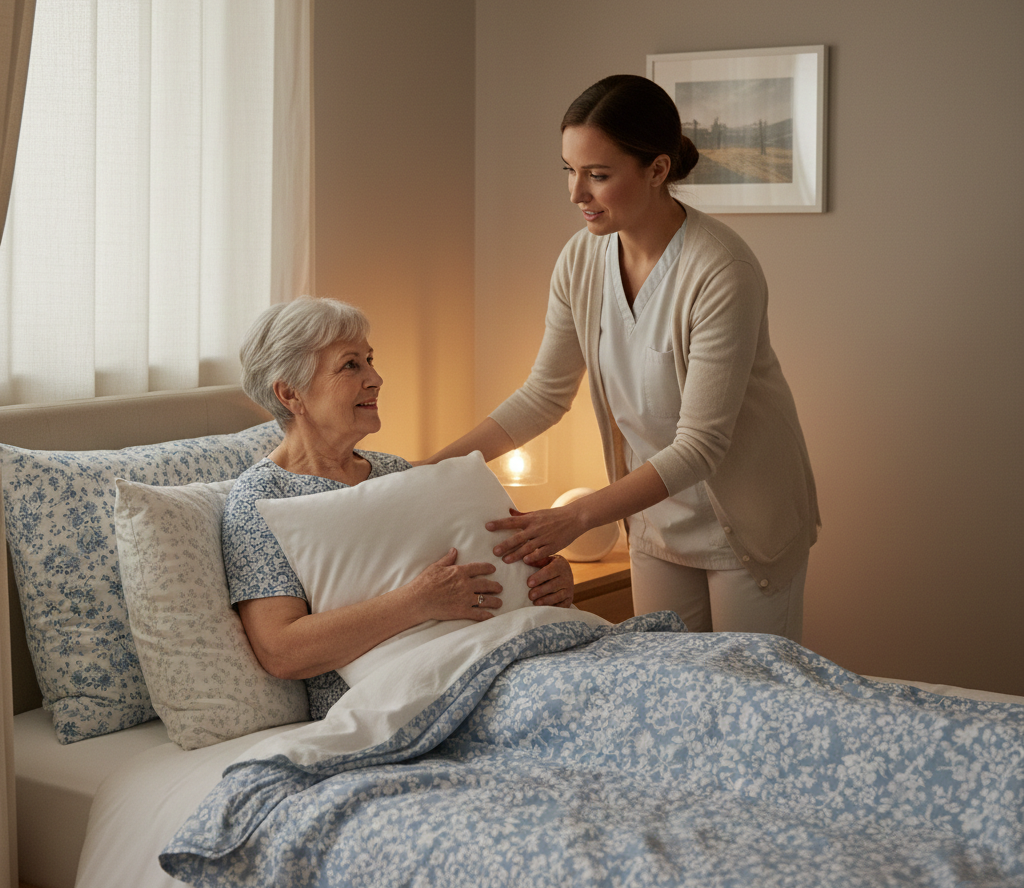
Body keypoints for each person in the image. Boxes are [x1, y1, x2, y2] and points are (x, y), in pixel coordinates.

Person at [422, 75, 820, 642]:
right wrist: (428, 472)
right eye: (569, 169)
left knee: (745, 703)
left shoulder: (721, 270)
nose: (575, 193)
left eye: (598, 175)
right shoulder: (582, 259)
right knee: (660, 696)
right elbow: (544, 394)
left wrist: (576, 517)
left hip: (745, 525)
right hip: (655, 519)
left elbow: (701, 446)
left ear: (657, 170)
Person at [222, 296, 575, 719]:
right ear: (290, 393)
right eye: (351, 364)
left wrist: (546, 579)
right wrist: (417, 601)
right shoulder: (261, 499)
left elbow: (486, 563)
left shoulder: (396, 472)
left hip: (509, 657)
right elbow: (281, 651)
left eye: (370, 360)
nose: (376, 378)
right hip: (406, 699)